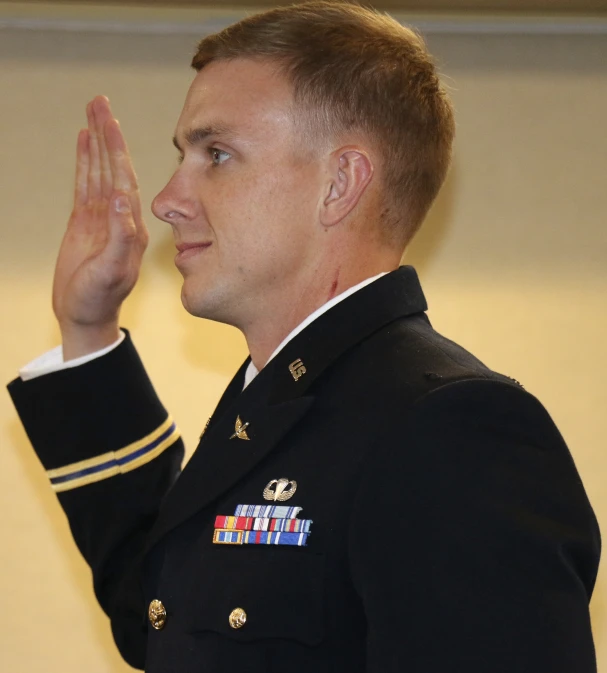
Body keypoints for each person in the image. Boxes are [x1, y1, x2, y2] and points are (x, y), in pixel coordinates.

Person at [7, 2, 600, 672]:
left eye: (217, 154)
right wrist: (88, 330)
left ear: (339, 184)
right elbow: (157, 612)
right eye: (184, 156)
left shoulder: (451, 430)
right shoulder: (287, 405)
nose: (167, 199)